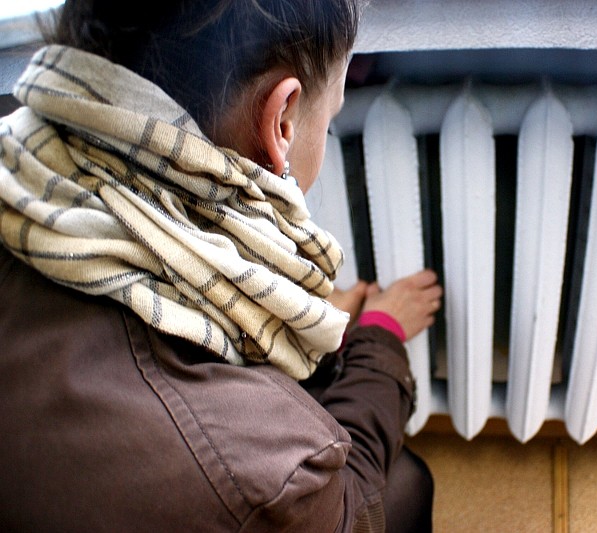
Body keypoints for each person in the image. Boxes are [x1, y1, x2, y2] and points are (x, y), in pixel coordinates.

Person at [0, 1, 442, 531]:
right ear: (282, 120)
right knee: (409, 485)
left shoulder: (22, 187)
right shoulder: (269, 478)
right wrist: (380, 338)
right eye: (327, 122)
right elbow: (354, 506)